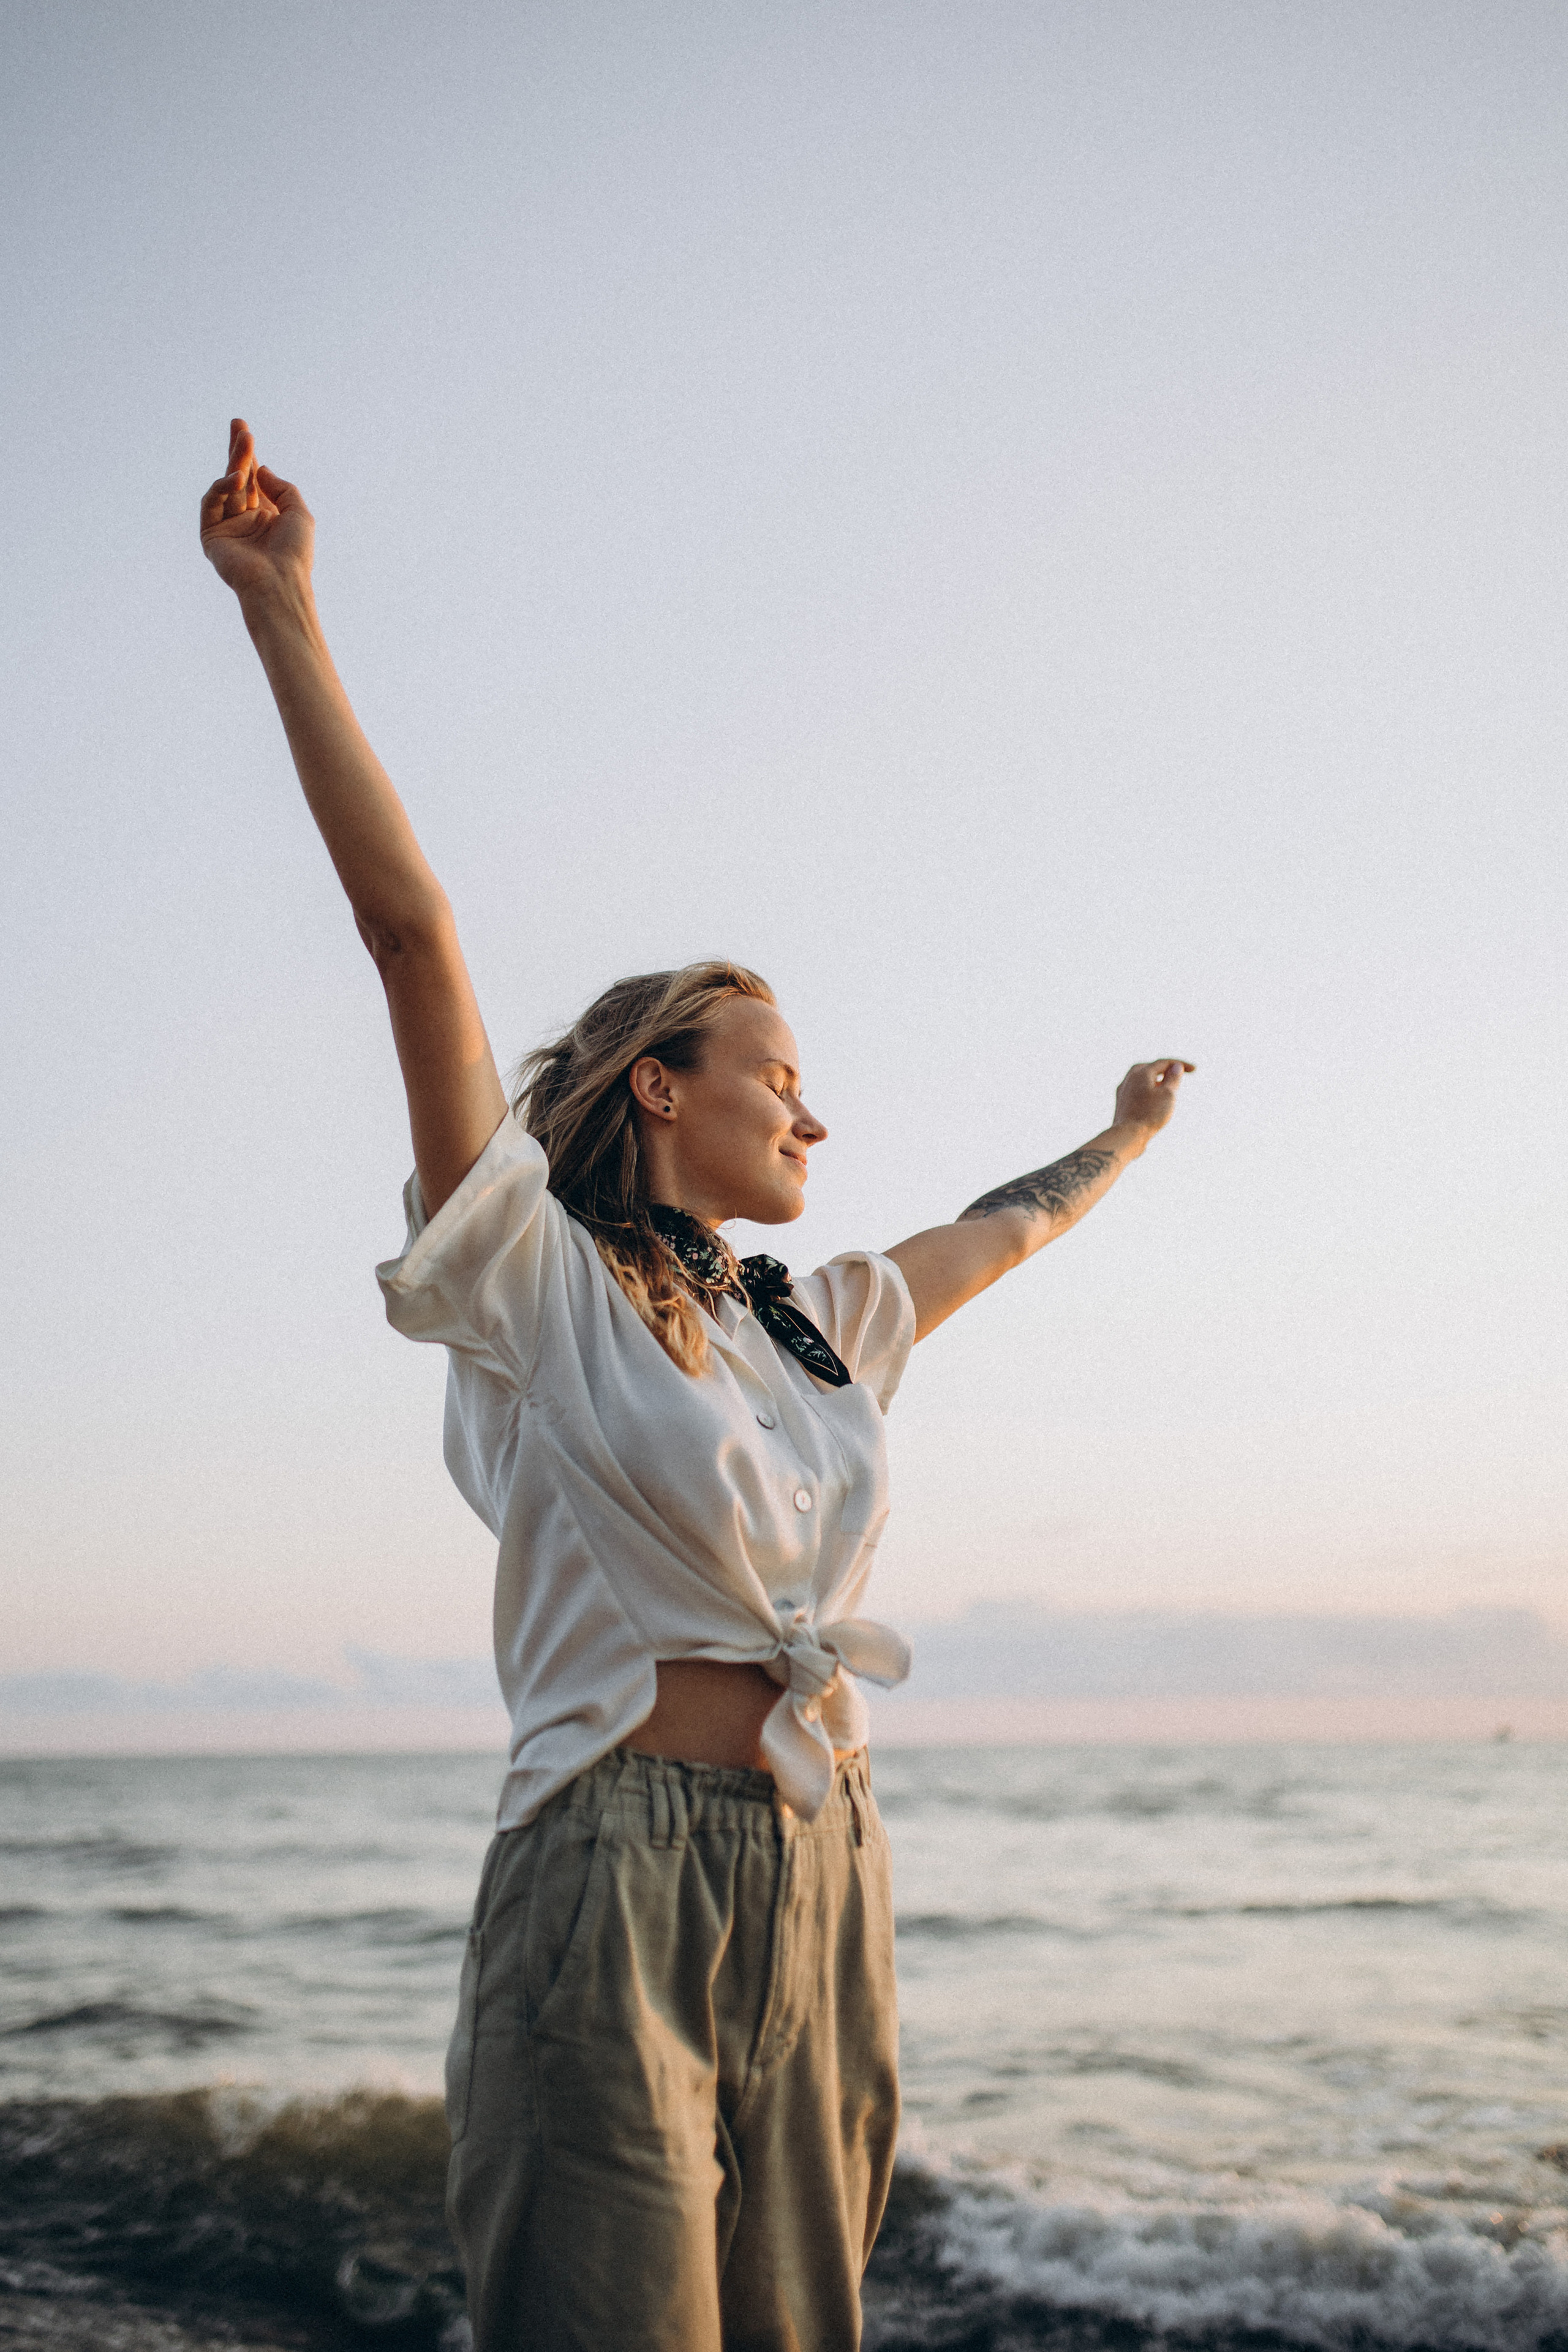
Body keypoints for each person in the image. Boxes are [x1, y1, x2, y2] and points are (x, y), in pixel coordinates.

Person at [200, 417, 1194, 2352]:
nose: (813, 1108)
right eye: (774, 1068)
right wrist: (285, 612)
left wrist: (1124, 1139)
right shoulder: (535, 1284)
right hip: (613, 1877)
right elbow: (413, 944)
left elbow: (999, 1234)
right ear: (662, 1082)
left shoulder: (803, 1324)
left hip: (830, 1859)